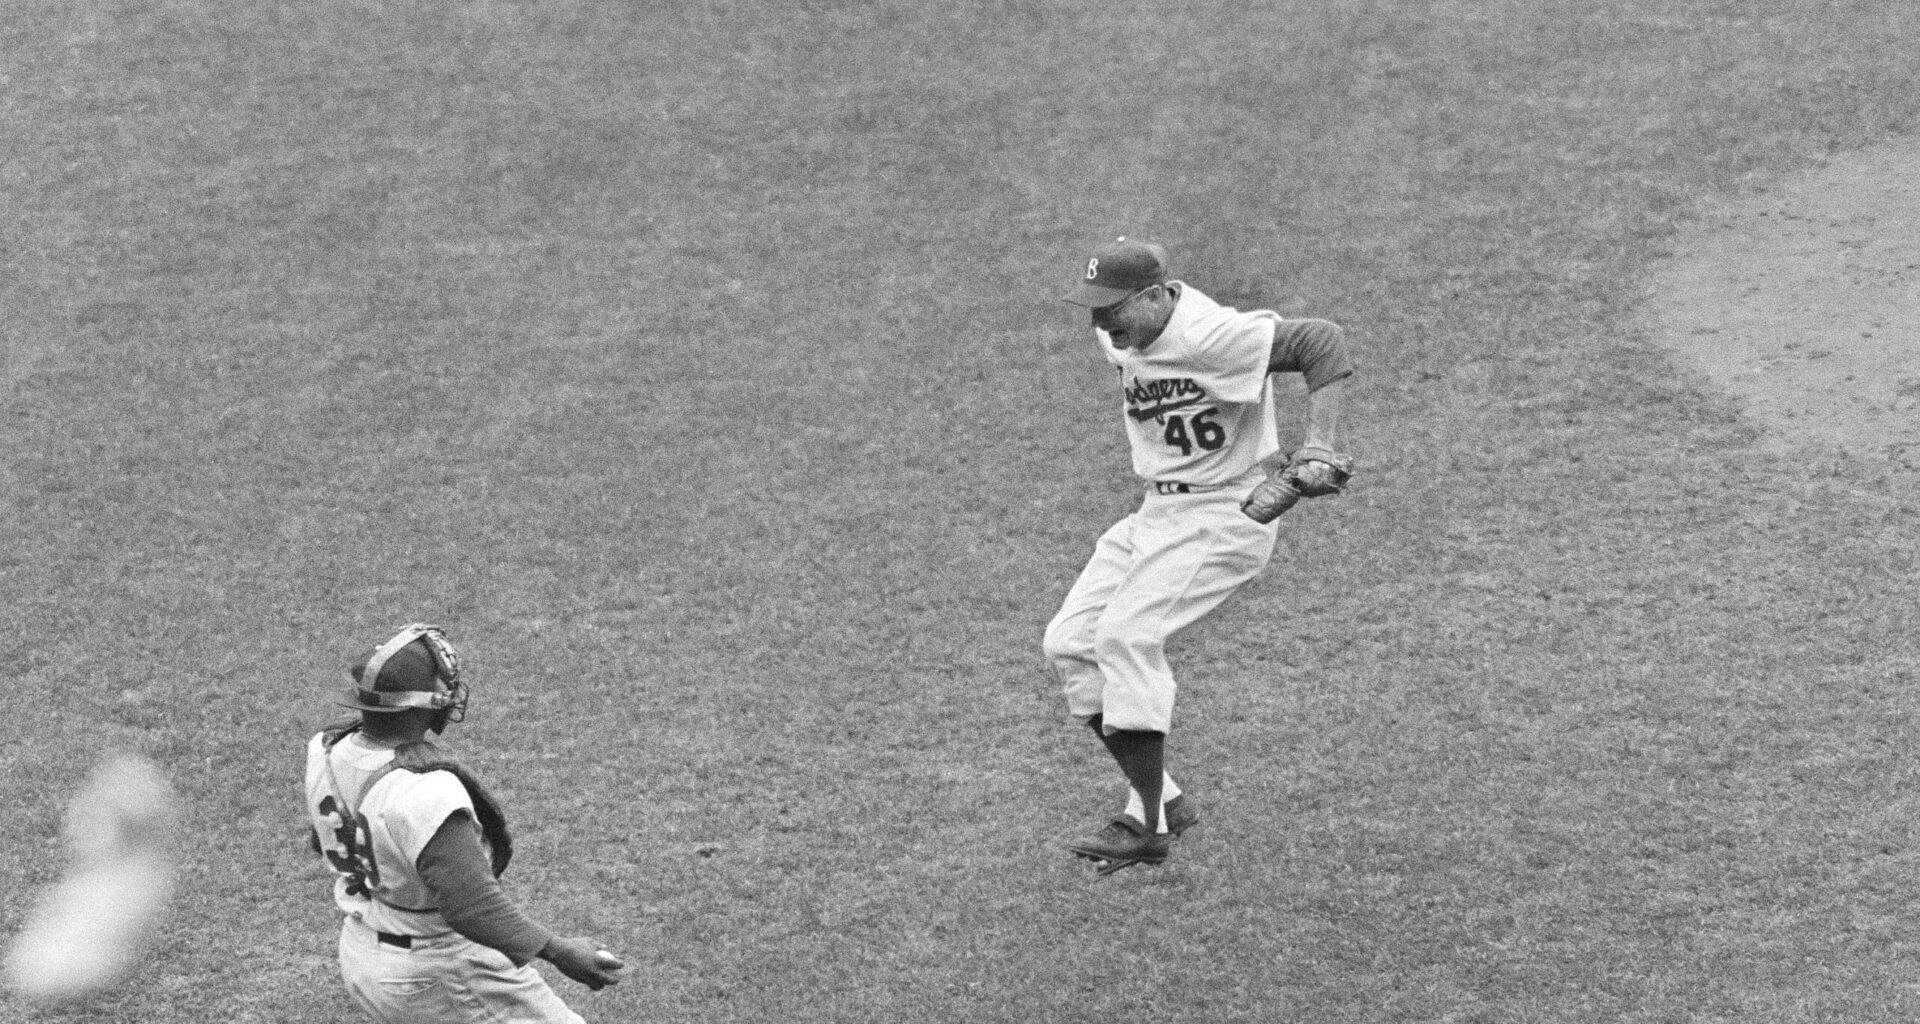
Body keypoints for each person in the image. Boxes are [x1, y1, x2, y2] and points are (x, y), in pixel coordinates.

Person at [1044, 237, 1356, 875]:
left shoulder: (1213, 334)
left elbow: (1321, 340)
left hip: (1222, 513)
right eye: (1094, 310)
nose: (1102, 323)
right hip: (1157, 511)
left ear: (1158, 295)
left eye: (1114, 309)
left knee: (1127, 636)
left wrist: (1318, 445)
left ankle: (1147, 823)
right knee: (1070, 642)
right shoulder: (1125, 335)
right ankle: (1168, 803)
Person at [305, 623, 626, 1022]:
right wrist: (559, 949)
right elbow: (471, 905)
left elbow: (328, 838)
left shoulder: (325, 750)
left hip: (365, 951)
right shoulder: (425, 791)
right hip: (438, 968)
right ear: (424, 705)